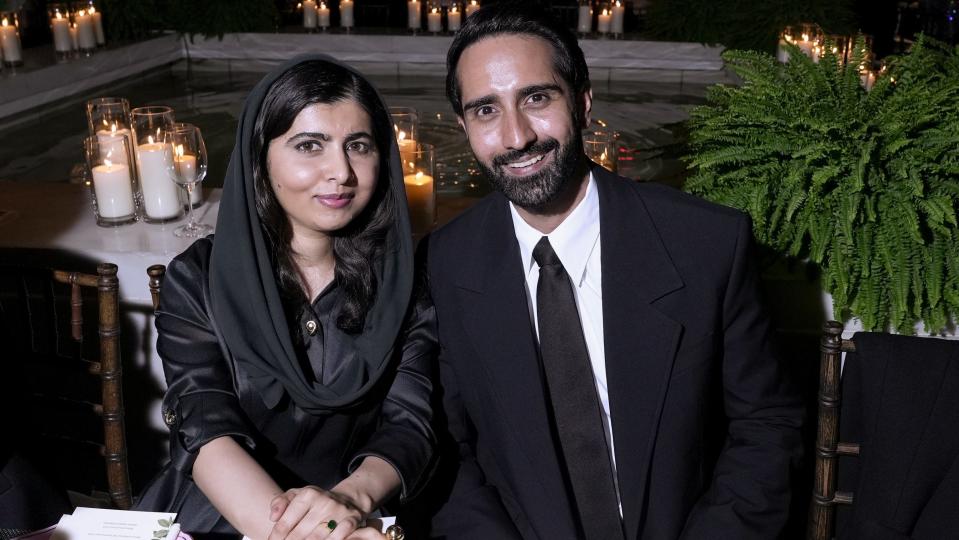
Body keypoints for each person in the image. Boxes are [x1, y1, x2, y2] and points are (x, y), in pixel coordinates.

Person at [416, 3, 805, 539]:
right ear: (463, 125)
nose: (516, 137)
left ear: (582, 100)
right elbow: (448, 448)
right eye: (486, 110)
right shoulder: (444, 261)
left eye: (536, 98)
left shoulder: (706, 243)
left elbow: (767, 427)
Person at [135, 55, 435, 540]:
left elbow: (411, 424)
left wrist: (348, 501)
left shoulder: (406, 282)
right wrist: (305, 533)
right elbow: (205, 427)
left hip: (361, 508)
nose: (340, 171)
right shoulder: (198, 279)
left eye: (358, 145)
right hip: (225, 511)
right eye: (309, 145)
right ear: (261, 158)